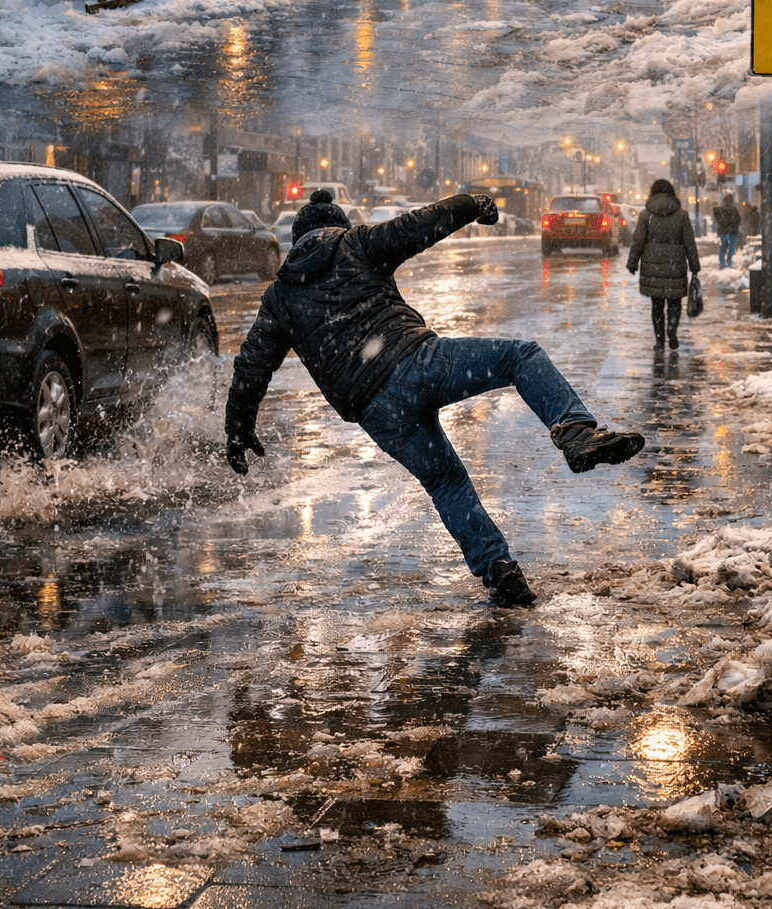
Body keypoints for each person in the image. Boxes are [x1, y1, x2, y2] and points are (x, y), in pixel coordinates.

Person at [224, 189, 645, 608]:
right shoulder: (355, 243)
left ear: (296, 241)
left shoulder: (279, 297)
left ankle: (497, 568)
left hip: (376, 414)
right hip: (415, 365)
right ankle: (574, 432)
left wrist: (238, 428)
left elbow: (251, 367)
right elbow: (418, 226)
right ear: (337, 226)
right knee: (520, 357)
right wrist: (472, 204)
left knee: (445, 482)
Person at [627, 179, 700, 349]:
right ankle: (672, 329)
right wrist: (694, 266)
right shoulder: (681, 215)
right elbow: (689, 243)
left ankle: (660, 340)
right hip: (676, 266)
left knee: (657, 305)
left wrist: (632, 263)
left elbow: (638, 242)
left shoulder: (646, 216)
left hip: (653, 268)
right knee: (674, 303)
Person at [713, 192, 741, 269]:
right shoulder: (724, 210)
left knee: (728, 248)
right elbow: (737, 220)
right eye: (728, 201)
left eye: (730, 201)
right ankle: (725, 264)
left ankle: (726, 264)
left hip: (729, 232)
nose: (729, 202)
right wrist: (731, 224)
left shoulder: (732, 210)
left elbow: (738, 220)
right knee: (727, 247)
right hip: (728, 232)